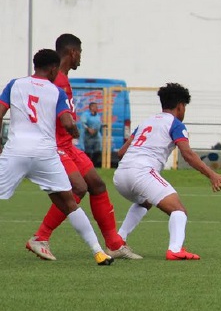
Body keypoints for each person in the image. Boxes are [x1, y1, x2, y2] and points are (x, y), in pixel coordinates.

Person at [26, 34, 139, 261]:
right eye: (80, 54)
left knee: (97, 185)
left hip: (68, 145)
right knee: (77, 188)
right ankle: (40, 237)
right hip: (55, 145)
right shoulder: (54, 80)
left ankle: (114, 244)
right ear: (73, 53)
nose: (81, 59)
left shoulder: (62, 79)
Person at [0, 49, 114, 265]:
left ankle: (43, 238)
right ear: (53, 68)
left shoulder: (14, 84)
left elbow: (0, 112)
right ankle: (98, 252)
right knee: (70, 202)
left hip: (16, 151)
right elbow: (67, 121)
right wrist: (74, 131)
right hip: (45, 154)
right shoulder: (56, 91)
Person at [113, 83, 221, 260]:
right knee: (178, 210)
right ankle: (175, 249)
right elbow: (187, 154)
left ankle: (118, 240)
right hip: (141, 173)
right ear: (180, 106)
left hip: (120, 176)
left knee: (145, 202)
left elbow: (121, 153)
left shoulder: (146, 122)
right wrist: (212, 174)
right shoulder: (176, 124)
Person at [80, 102, 103, 167]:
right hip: (88, 136)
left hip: (96, 136)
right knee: (88, 151)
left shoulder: (98, 116)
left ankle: (93, 165)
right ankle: (87, 165)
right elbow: (83, 123)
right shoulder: (85, 115)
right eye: (96, 107)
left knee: (98, 151)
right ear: (91, 107)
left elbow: (99, 123)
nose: (97, 108)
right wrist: (88, 129)